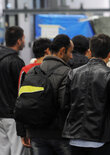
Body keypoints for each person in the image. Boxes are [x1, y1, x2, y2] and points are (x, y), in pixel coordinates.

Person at [62, 34, 110, 155]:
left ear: (90, 52)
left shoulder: (73, 73)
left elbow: (65, 104)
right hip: (99, 138)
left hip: (74, 137)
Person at [26, 34, 73, 155]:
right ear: (62, 51)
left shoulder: (32, 71)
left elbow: (22, 100)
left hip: (35, 132)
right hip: (58, 134)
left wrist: (23, 131)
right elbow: (65, 104)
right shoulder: (67, 72)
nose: (71, 56)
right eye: (70, 52)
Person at [16, 38, 52, 150]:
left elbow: (20, 100)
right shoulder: (52, 68)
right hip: (52, 127)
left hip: (31, 127)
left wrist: (22, 132)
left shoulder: (26, 70)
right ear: (47, 51)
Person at [0, 26, 25, 155]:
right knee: (17, 151)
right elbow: (22, 90)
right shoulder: (16, 62)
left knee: (3, 151)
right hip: (12, 115)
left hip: (0, 114)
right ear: (19, 41)